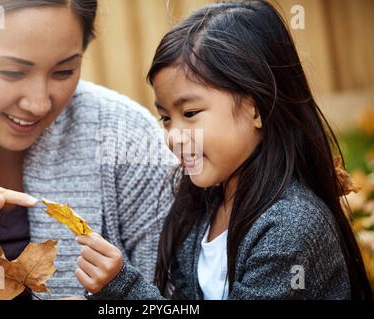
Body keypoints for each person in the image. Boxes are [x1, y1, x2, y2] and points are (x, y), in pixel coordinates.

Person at [74, 1, 372, 300]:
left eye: (190, 113)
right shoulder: (202, 208)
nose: (173, 136)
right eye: (166, 118)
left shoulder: (291, 225)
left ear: (257, 109)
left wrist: (122, 290)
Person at [0, 0, 175, 300]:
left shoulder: (127, 137)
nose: (39, 103)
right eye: (11, 72)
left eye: (64, 71)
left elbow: (177, 298)